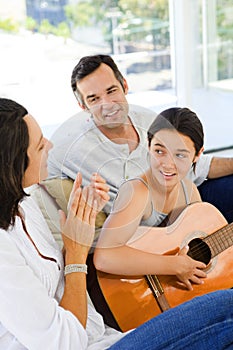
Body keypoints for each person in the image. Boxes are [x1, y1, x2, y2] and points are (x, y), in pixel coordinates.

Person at [1, 99, 233, 350]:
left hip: (105, 333)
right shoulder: (4, 253)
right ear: (12, 165)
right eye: (39, 147)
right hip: (94, 341)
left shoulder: (24, 202)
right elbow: (64, 343)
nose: (50, 145)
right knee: (227, 306)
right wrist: (77, 254)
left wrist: (84, 220)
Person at [47, 54, 233, 224]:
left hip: (189, 198)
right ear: (83, 106)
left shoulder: (148, 119)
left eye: (111, 91)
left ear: (125, 86)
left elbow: (197, 164)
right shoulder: (71, 148)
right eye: (94, 99)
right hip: (151, 230)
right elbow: (32, 164)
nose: (108, 105)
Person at [94, 107, 207, 289]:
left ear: (197, 154)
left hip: (172, 292)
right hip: (132, 293)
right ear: (148, 145)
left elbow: (200, 246)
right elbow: (104, 257)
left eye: (180, 155)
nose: (167, 164)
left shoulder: (190, 191)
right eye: (159, 151)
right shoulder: (137, 193)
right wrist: (175, 265)